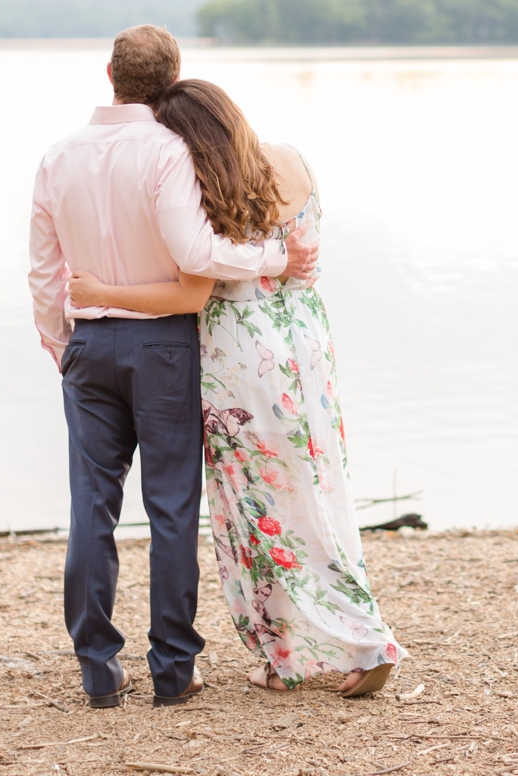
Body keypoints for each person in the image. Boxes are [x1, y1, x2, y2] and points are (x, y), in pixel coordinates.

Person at [68, 78, 403, 698]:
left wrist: (99, 294)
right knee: (319, 488)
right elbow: (302, 251)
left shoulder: (212, 188)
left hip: (240, 355)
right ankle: (333, 643)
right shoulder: (292, 159)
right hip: (306, 343)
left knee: (254, 509)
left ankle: (316, 648)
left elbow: (196, 284)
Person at [28, 26, 319, 710]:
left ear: (108, 72)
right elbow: (195, 254)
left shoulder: (57, 156)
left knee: (91, 510)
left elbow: (45, 271)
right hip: (162, 346)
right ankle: (173, 669)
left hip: (89, 348)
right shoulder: (170, 152)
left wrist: (61, 342)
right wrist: (274, 260)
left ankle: (98, 670)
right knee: (170, 509)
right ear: (174, 75)